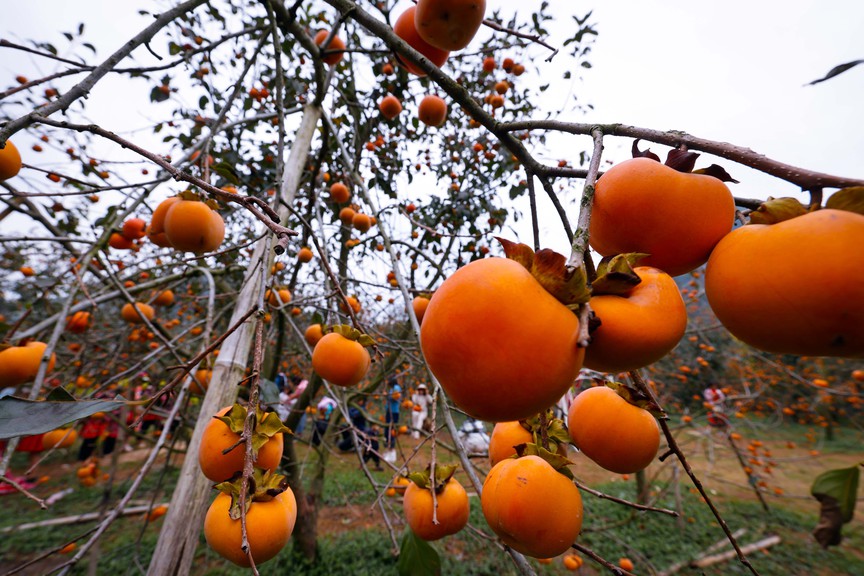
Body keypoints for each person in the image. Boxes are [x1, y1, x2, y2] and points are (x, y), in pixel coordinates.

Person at [383, 378, 401, 459]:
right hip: (389, 410)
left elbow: (395, 397)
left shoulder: (396, 388)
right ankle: (388, 447)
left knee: (391, 430)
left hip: (394, 412)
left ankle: (391, 449)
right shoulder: (392, 388)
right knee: (387, 429)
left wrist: (387, 395)